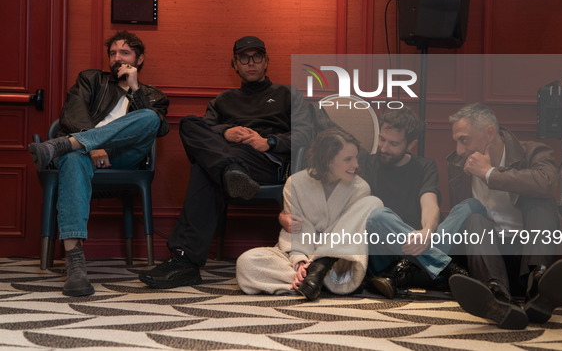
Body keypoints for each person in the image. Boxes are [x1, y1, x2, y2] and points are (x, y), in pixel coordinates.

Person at [139, 36, 313, 289]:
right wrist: (225, 133)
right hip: (232, 160)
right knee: (189, 124)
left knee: (205, 169)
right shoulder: (223, 101)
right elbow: (202, 132)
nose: (251, 63)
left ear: (266, 62)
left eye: (257, 57)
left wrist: (269, 142)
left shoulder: (287, 94)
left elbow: (306, 133)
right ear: (235, 64)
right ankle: (230, 169)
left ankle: (186, 261)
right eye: (244, 58)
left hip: (266, 162)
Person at [28, 30, 169, 297]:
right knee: (72, 158)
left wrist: (136, 90)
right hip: (84, 157)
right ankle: (75, 263)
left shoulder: (153, 96)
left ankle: (66, 144)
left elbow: (158, 129)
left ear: (139, 59)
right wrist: (94, 147)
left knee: (149, 118)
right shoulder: (91, 79)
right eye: (112, 53)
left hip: (125, 157)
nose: (117, 58)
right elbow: (72, 114)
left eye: (124, 53)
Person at [446, 103, 562, 330]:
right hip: (492, 262)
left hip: (533, 254)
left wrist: (489, 174)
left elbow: (547, 183)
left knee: (539, 199)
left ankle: (540, 286)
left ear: (489, 133)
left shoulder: (533, 152)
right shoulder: (459, 167)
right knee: (473, 218)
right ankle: (497, 297)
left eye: (464, 140)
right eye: (456, 141)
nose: (458, 150)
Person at [236, 129, 383, 300]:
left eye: (356, 158)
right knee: (246, 263)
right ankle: (311, 279)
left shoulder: (360, 188)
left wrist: (319, 258)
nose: (356, 165)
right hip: (300, 253)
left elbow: (347, 234)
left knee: (374, 203)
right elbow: (295, 229)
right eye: (348, 159)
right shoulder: (296, 184)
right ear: (327, 161)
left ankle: (316, 274)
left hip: (335, 260)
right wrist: (300, 262)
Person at [360, 106, 486, 298]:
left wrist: (426, 231)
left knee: (472, 205)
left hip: (418, 244)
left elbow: (429, 203)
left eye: (393, 144)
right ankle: (446, 267)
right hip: (386, 251)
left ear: (411, 144)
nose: (384, 148)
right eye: (382, 139)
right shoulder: (366, 163)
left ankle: (409, 270)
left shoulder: (424, 166)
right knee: (377, 215)